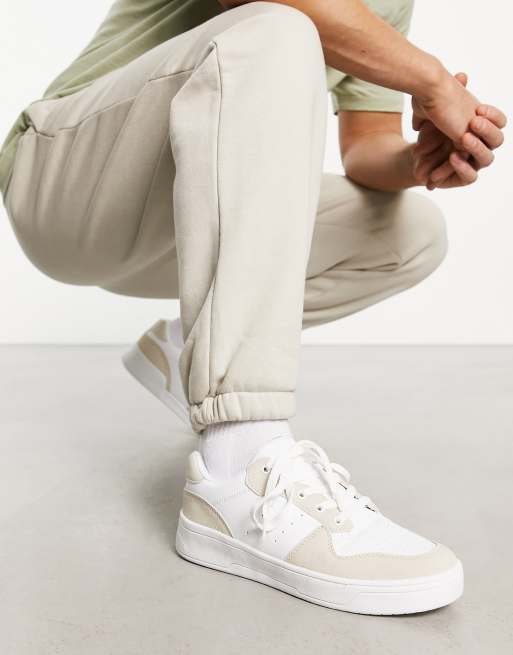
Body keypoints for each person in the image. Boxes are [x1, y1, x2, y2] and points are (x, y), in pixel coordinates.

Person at [0, 0, 506, 615]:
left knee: (411, 233)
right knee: (276, 29)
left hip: (179, 211)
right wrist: (431, 80)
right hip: (64, 181)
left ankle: (191, 351)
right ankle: (238, 471)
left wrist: (415, 163)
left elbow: (367, 148)